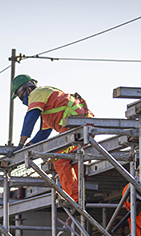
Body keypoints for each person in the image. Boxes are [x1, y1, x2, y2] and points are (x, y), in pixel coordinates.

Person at [11, 74, 94, 202]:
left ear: (28, 89)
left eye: (21, 95)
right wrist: (29, 146)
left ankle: (74, 199)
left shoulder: (36, 93)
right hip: (84, 123)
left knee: (59, 159)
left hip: (75, 123)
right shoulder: (48, 104)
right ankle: (79, 195)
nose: (22, 101)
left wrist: (21, 144)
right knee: (74, 159)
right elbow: (43, 133)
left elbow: (30, 118)